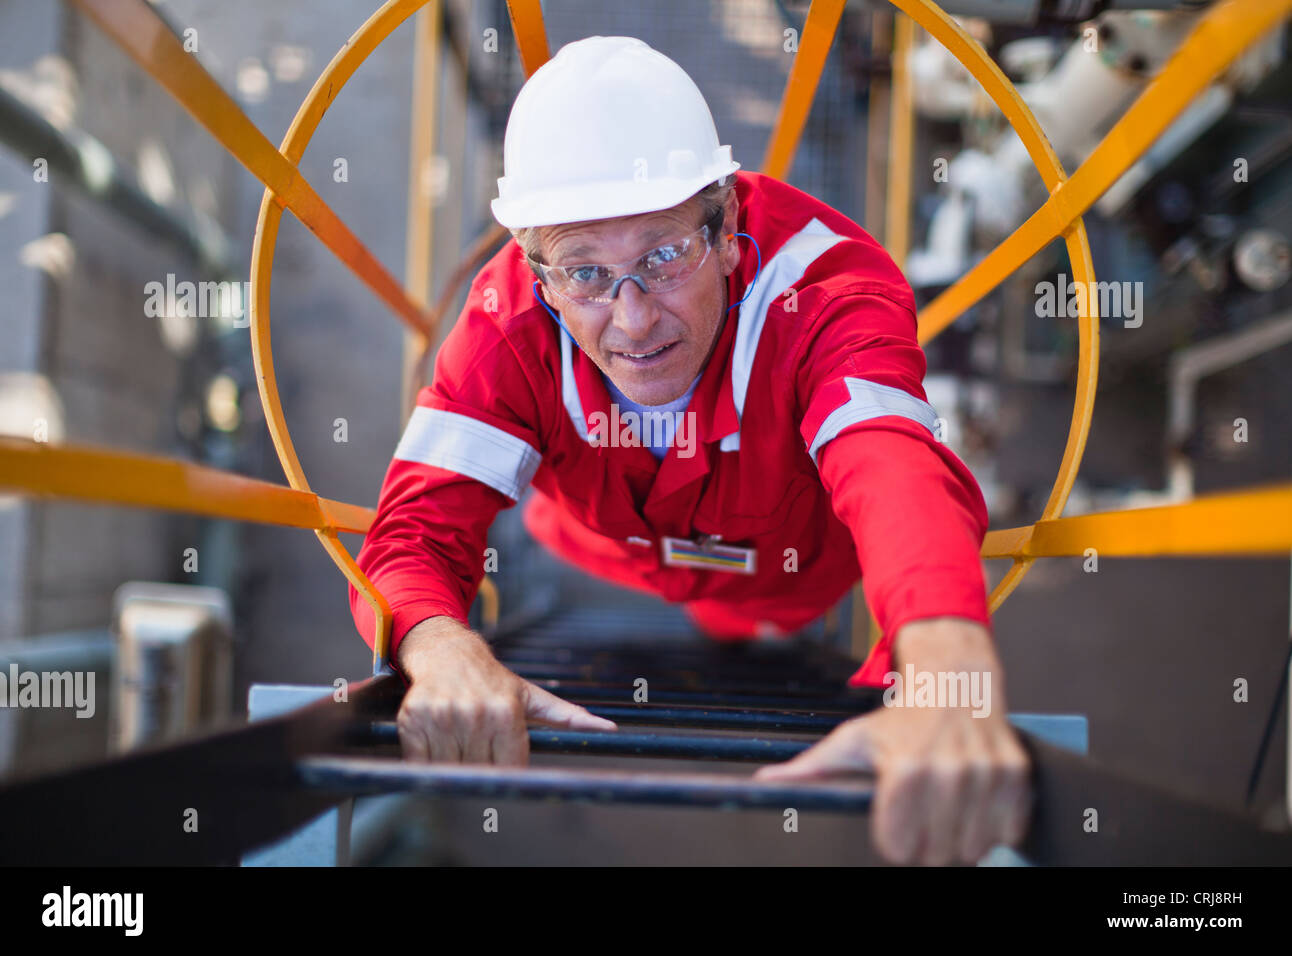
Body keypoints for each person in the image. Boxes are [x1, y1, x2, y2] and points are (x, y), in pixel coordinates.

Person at [350, 35, 1030, 865]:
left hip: (792, 579)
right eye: (585, 273)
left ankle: (737, 625)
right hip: (632, 556)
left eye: (664, 255)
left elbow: (890, 462)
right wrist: (439, 644)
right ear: (535, 266)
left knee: (747, 626)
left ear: (730, 225)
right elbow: (413, 532)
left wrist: (947, 657)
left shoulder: (820, 293)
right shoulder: (509, 320)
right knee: (727, 625)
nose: (633, 320)